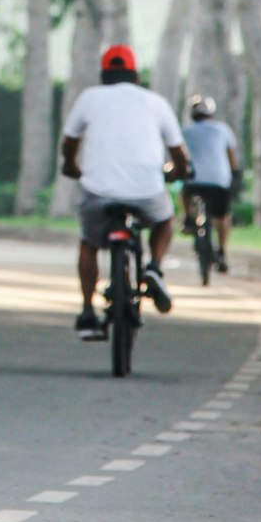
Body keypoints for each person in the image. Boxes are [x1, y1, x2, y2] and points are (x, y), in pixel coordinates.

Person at [61, 44, 189, 340]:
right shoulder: (155, 102)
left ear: (103, 75)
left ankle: (87, 309)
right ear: (135, 77)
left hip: (97, 190)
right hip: (147, 189)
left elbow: (69, 141)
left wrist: (71, 166)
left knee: (89, 243)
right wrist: (178, 172)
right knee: (165, 220)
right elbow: (178, 152)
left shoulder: (89, 98)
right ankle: (155, 268)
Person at [182, 95, 239, 272]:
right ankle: (222, 251)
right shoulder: (223, 130)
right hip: (219, 180)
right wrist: (234, 173)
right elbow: (231, 157)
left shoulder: (186, 131)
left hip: (194, 180)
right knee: (222, 217)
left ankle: (189, 218)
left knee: (185, 193)